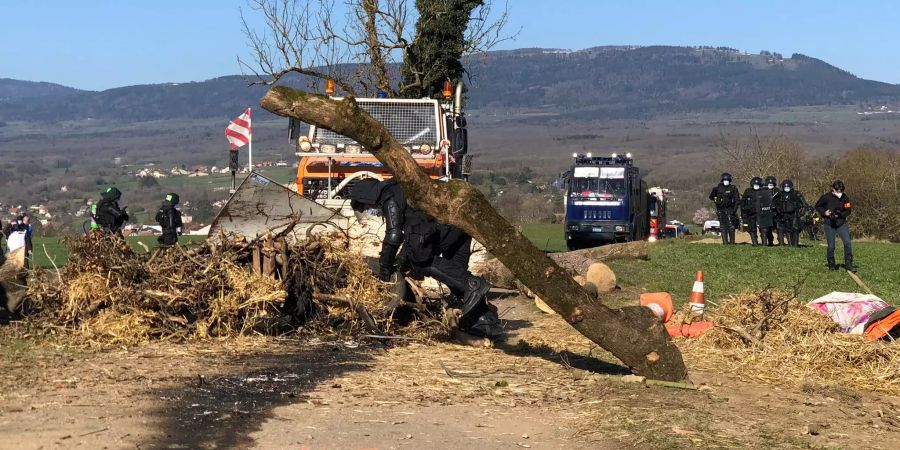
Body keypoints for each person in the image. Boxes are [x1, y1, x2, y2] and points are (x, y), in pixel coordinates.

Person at [350, 179, 500, 337]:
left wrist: (385, 269)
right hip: (460, 221)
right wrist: (400, 261)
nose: (371, 209)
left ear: (366, 197)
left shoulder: (389, 196)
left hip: (448, 223)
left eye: (366, 206)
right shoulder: (401, 189)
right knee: (454, 275)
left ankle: (474, 284)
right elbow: (412, 234)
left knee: (422, 262)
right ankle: (486, 322)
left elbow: (394, 236)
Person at [815, 180, 855, 272]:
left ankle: (848, 264)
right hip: (829, 224)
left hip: (841, 223)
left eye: (841, 191)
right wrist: (824, 212)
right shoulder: (826, 197)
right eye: (838, 191)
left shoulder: (845, 198)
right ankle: (831, 264)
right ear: (833, 189)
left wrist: (840, 214)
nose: (840, 193)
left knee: (847, 242)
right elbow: (817, 206)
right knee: (831, 245)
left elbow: (848, 210)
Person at [708, 172, 741, 245]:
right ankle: (725, 242)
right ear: (722, 180)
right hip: (721, 210)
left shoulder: (733, 188)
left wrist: (734, 210)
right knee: (723, 227)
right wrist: (714, 194)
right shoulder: (718, 188)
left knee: (731, 226)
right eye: (725, 180)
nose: (726, 181)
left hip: (730, 209)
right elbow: (711, 197)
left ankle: (732, 242)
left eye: (728, 180)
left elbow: (737, 200)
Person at [773, 180, 805, 247]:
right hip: (784, 214)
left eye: (788, 187)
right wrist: (779, 213)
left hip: (794, 214)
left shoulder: (796, 193)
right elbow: (776, 204)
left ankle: (795, 244)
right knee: (787, 229)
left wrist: (800, 213)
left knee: (795, 228)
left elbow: (804, 204)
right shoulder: (780, 194)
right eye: (785, 187)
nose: (786, 188)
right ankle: (790, 244)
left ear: (791, 187)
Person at [741, 177, 763, 246]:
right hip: (750, 213)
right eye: (755, 184)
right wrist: (744, 210)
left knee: (763, 229)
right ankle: (755, 242)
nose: (756, 186)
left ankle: (764, 242)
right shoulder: (748, 191)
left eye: (758, 185)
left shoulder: (763, 191)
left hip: (761, 213)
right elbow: (743, 202)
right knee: (752, 228)